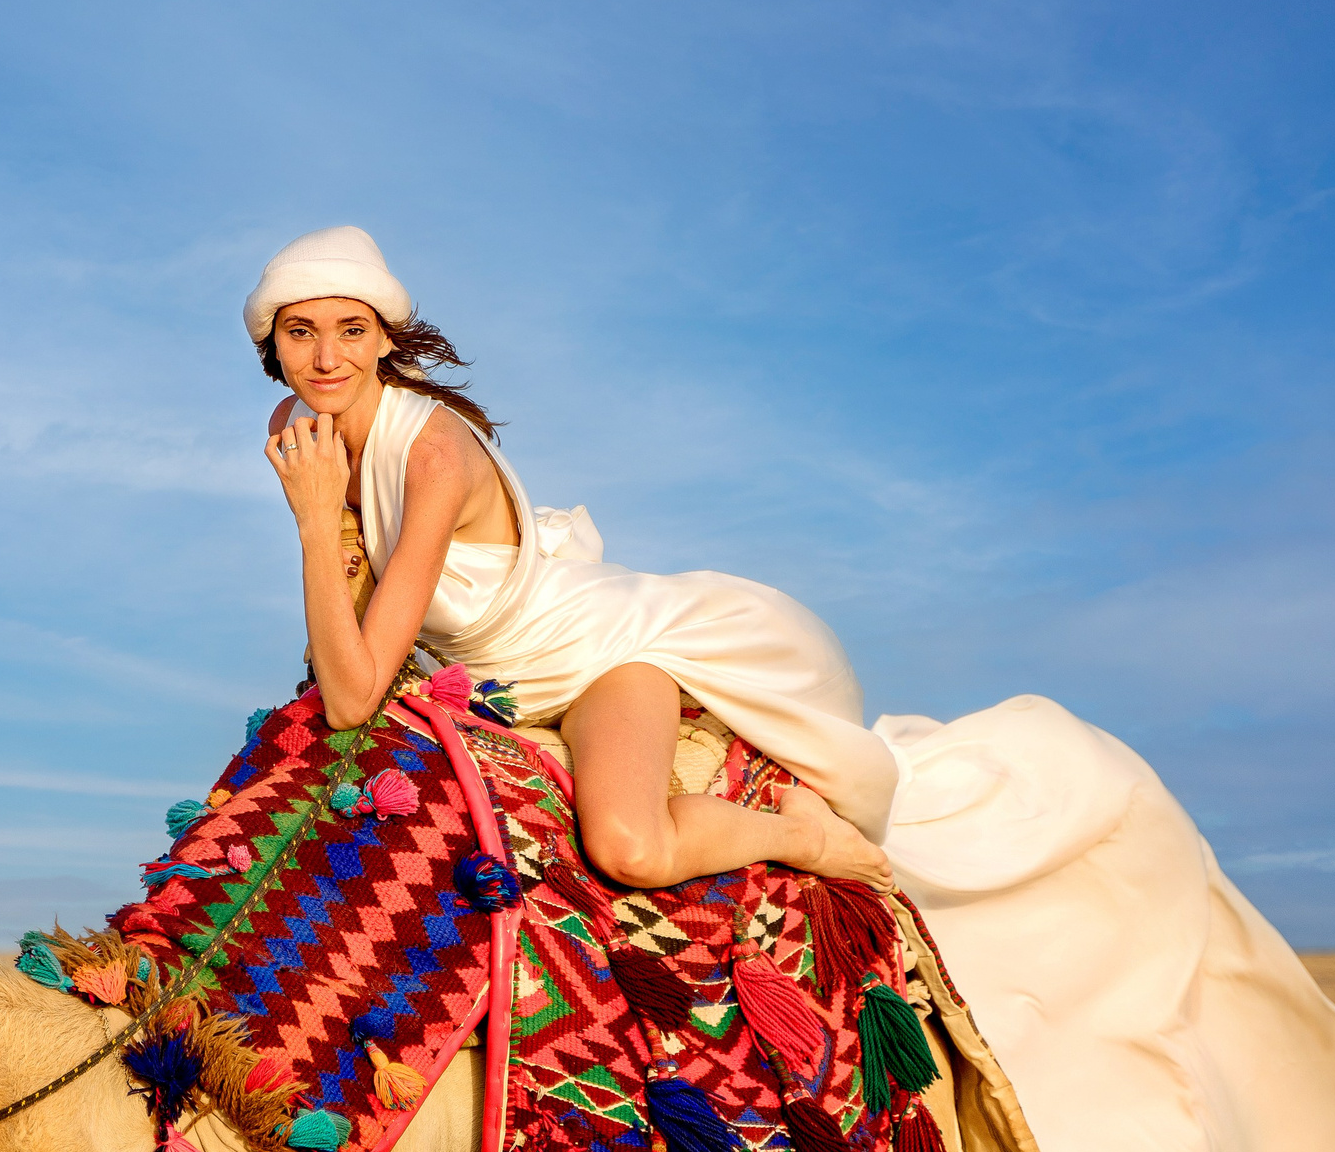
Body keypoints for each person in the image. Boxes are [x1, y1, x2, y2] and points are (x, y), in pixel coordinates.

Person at [251, 225, 896, 891]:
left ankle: (801, 834)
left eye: (351, 330)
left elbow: (353, 698)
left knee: (629, 848)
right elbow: (349, 600)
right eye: (301, 332)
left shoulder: (432, 454)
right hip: (490, 681)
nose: (327, 357)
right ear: (271, 343)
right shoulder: (292, 426)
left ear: (385, 337)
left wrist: (312, 521)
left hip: (596, 655)